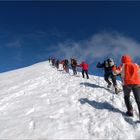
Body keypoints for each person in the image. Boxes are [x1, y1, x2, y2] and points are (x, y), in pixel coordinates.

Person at [112, 54, 140, 119]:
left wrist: (114, 68)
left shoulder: (123, 65)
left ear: (122, 60)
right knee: (138, 100)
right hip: (137, 84)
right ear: (129, 59)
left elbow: (115, 72)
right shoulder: (136, 65)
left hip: (127, 84)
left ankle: (130, 111)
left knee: (126, 97)